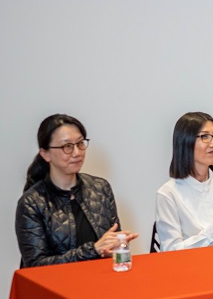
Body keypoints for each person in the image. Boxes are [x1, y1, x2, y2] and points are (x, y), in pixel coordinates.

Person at [16, 114, 138, 268]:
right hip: (56, 282)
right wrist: (92, 250)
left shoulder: (100, 188)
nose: (77, 152)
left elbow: (111, 242)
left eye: (80, 143)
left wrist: (118, 246)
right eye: (67, 146)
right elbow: (36, 266)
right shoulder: (31, 202)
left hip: (101, 278)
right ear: (45, 154)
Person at [154, 112, 213, 251]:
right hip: (189, 265)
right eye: (205, 137)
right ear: (185, 142)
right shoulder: (168, 194)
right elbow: (171, 251)